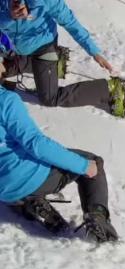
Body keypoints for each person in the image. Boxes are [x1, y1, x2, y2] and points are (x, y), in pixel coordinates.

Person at [0, 82, 118, 243]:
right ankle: (99, 219)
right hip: (26, 175)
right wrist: (83, 166)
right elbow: (36, 144)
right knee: (92, 161)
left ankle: (29, 202)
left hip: (4, 191)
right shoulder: (5, 100)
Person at [0, 0, 125, 117]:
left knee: (49, 98)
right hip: (15, 49)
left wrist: (94, 51)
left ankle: (107, 90)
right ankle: (56, 62)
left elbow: (69, 21)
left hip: (44, 46)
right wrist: (8, 18)